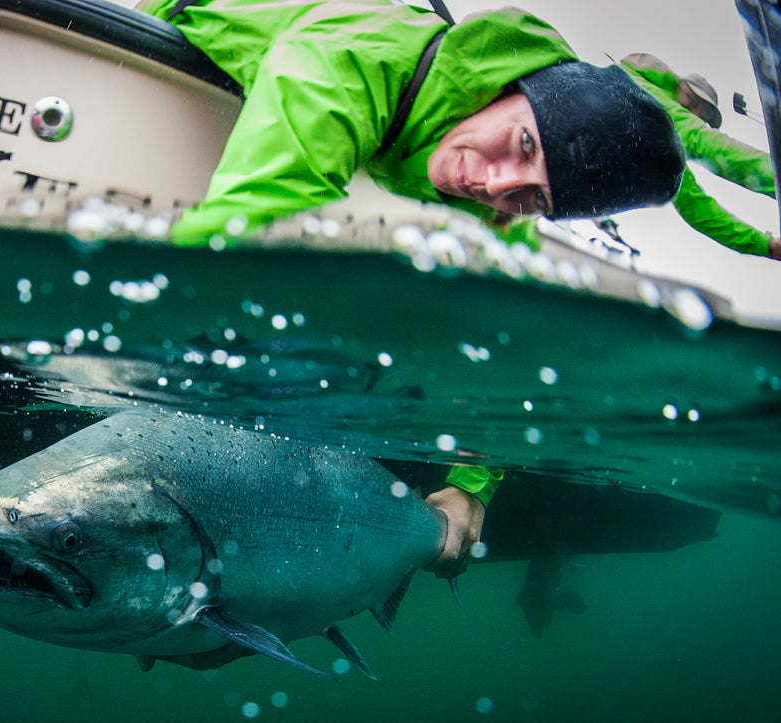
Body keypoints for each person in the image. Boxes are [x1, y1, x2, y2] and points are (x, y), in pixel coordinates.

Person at [140, 0, 685, 579]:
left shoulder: (501, 209)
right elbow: (230, 245)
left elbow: (510, 361)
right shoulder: (348, 63)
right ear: (509, 88)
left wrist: (470, 487)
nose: (493, 184)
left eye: (536, 198)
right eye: (524, 144)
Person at [620, 53, 781, 261]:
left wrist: (765, 245)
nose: (693, 113)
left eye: (701, 116)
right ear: (678, 84)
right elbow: (704, 143)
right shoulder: (633, 81)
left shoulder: (664, 148)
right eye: (693, 100)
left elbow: (694, 206)